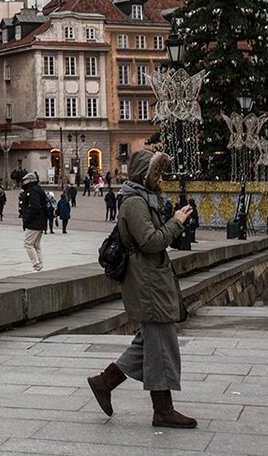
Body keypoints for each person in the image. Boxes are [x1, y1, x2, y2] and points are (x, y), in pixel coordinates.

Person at [87, 149, 196, 428]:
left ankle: (104, 382)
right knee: (160, 344)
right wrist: (176, 223)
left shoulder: (145, 199)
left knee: (150, 342)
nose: (160, 179)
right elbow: (150, 241)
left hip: (152, 279)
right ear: (143, 175)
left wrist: (173, 221)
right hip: (146, 282)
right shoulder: (135, 203)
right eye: (156, 173)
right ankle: (162, 410)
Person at [18, 172, 50, 271]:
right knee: (36, 244)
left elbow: (34, 207)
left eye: (25, 180)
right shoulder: (39, 189)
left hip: (34, 222)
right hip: (41, 221)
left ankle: (36, 264)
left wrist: (27, 220)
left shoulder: (32, 191)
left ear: (30, 180)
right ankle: (39, 264)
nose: (24, 182)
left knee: (28, 243)